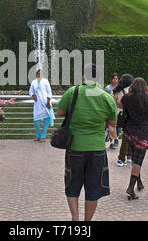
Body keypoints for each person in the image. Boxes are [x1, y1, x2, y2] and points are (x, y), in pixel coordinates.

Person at [57, 63, 117, 221]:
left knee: (72, 184)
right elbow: (113, 123)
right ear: (98, 78)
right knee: (93, 188)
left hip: (75, 147)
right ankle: (87, 222)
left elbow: (60, 112)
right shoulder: (106, 97)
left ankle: (75, 218)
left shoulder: (73, 91)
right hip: (97, 148)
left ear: (84, 76)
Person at [118, 77, 148, 200]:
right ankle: (130, 188)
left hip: (129, 132)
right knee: (138, 162)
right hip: (142, 134)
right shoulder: (146, 99)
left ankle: (139, 183)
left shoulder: (126, 97)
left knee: (135, 159)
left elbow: (119, 105)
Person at [113, 74, 134, 167]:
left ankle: (128, 155)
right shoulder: (129, 90)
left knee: (127, 135)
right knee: (128, 136)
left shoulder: (116, 91)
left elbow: (114, 103)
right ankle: (122, 157)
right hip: (128, 115)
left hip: (120, 115)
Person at [29, 69, 55, 142]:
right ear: (36, 74)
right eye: (38, 73)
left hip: (45, 102)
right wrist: (33, 95)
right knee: (36, 120)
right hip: (37, 104)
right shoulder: (33, 82)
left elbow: (49, 92)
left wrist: (48, 102)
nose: (39, 74)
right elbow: (30, 91)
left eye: (41, 73)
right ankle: (38, 135)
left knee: (46, 119)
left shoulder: (46, 81)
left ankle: (43, 136)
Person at [104, 73, 119, 149]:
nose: (115, 80)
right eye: (114, 78)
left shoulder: (119, 88)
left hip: (117, 109)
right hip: (109, 109)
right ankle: (112, 141)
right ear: (111, 79)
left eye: (116, 79)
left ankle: (115, 139)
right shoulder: (107, 88)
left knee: (115, 126)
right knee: (111, 126)